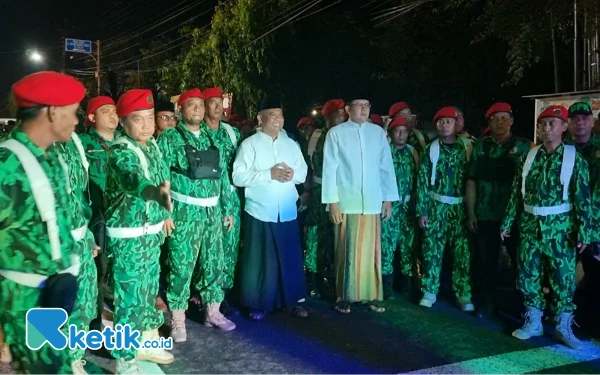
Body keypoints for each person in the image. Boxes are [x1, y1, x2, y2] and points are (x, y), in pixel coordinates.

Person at [0, 71, 85, 374]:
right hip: (27, 302)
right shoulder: (8, 166)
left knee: (54, 367)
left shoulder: (49, 158)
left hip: (53, 296)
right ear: (52, 112)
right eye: (73, 112)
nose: (76, 121)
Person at [501, 105, 591, 349]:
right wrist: (508, 221)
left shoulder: (574, 159)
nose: (547, 128)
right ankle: (534, 321)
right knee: (528, 274)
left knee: (563, 278)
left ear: (564, 127)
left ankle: (563, 327)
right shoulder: (528, 158)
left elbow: (583, 198)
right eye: (543, 124)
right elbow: (516, 195)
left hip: (561, 230)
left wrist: (585, 230)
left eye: (553, 123)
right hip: (530, 226)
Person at [158, 88, 237, 338]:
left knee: (214, 262)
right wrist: (165, 212)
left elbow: (223, 176)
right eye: (191, 105)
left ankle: (213, 311)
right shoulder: (170, 138)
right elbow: (161, 176)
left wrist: (227, 208)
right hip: (185, 210)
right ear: (180, 110)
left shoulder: (214, 138)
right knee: (182, 265)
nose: (197, 109)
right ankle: (178, 319)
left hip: (212, 211)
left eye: (200, 105)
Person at [104, 89, 174, 372]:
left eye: (149, 118)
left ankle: (147, 341)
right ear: (123, 122)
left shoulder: (152, 145)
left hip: (151, 233)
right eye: (137, 119)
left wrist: (166, 212)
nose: (146, 125)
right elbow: (134, 179)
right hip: (130, 236)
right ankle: (125, 359)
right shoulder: (121, 151)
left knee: (147, 292)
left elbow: (162, 177)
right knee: (130, 298)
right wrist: (155, 194)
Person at [233, 98, 309, 320]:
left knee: (290, 258)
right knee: (260, 261)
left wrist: (291, 175)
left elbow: (304, 173)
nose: (277, 119)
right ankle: (258, 303)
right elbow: (238, 176)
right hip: (260, 210)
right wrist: (269, 174)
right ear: (260, 118)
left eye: (280, 115)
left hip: (286, 211)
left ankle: (294, 301)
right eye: (272, 115)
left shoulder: (291, 144)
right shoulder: (250, 145)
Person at [322, 95, 398, 314]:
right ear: (348, 109)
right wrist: (332, 202)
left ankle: (369, 295)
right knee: (346, 250)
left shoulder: (377, 133)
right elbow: (330, 169)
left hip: (372, 202)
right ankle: (342, 296)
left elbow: (386, 167)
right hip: (347, 201)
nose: (364, 109)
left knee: (370, 252)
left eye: (367, 105)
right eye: (359, 106)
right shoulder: (336, 134)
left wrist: (388, 199)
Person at [466, 102, 532, 314]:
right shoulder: (480, 147)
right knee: (485, 261)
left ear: (512, 121)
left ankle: (521, 306)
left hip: (514, 217)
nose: (499, 122)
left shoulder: (526, 147)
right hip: (485, 214)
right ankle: (487, 302)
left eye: (504, 118)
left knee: (521, 261)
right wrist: (471, 212)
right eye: (495, 119)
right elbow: (471, 180)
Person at [416, 106, 474, 312]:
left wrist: (471, 211)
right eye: (441, 122)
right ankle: (429, 290)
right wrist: (422, 210)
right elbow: (422, 181)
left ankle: (463, 294)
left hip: (459, 208)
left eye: (449, 121)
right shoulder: (430, 149)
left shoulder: (467, 148)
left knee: (462, 254)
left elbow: (471, 181)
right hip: (436, 206)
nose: (445, 125)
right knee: (432, 251)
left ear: (456, 123)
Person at [55, 116, 101, 375]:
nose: (74, 118)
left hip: (80, 239)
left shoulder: (74, 142)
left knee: (83, 303)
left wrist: (89, 235)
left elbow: (81, 196)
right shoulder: (29, 146)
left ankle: (74, 359)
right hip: (52, 245)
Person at [79, 95, 120, 331]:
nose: (113, 115)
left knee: (120, 268)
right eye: (106, 111)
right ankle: (96, 324)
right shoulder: (83, 144)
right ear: (92, 117)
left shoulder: (125, 142)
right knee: (98, 271)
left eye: (115, 111)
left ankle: (119, 318)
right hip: (97, 217)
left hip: (122, 217)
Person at [304, 99, 345, 297]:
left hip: (342, 194)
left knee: (335, 237)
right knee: (314, 235)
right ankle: (312, 277)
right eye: (338, 112)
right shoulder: (318, 136)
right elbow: (308, 165)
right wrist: (306, 190)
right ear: (328, 116)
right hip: (319, 193)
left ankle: (331, 277)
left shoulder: (347, 135)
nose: (343, 116)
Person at [381, 116, 419, 298]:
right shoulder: (385, 151)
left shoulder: (413, 153)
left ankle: (407, 283)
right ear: (391, 133)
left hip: (408, 207)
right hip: (390, 205)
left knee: (408, 245)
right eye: (397, 131)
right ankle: (385, 284)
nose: (402, 134)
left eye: (405, 131)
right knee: (386, 244)